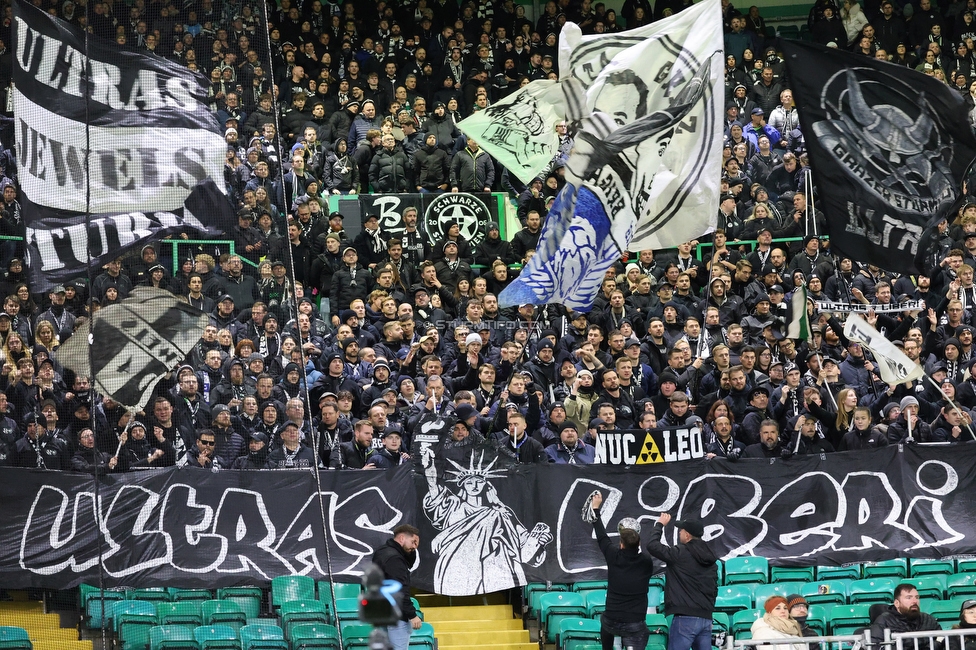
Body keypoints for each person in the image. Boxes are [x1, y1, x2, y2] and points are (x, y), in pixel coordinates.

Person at [590, 491, 655, 650]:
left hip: (611, 620)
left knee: (605, 624)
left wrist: (596, 509)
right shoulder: (646, 561)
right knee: (641, 632)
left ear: (621, 544)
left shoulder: (613, 556)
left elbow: (601, 536)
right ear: (639, 542)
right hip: (634, 623)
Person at [644, 513, 718, 650]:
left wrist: (659, 525)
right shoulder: (710, 557)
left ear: (687, 535)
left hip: (685, 618)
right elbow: (714, 588)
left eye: (681, 530)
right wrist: (709, 614)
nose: (679, 533)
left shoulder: (680, 553)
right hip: (706, 619)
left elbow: (652, 545)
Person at [371, 524, 423, 650]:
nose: (415, 547)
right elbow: (400, 590)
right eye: (413, 542)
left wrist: (410, 551)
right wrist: (412, 614)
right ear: (401, 538)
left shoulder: (381, 552)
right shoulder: (395, 559)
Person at [869, 584, 941, 648]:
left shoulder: (927, 619)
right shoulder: (884, 621)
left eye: (917, 597)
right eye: (909, 598)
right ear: (897, 603)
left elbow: (942, 638)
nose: (914, 601)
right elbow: (875, 646)